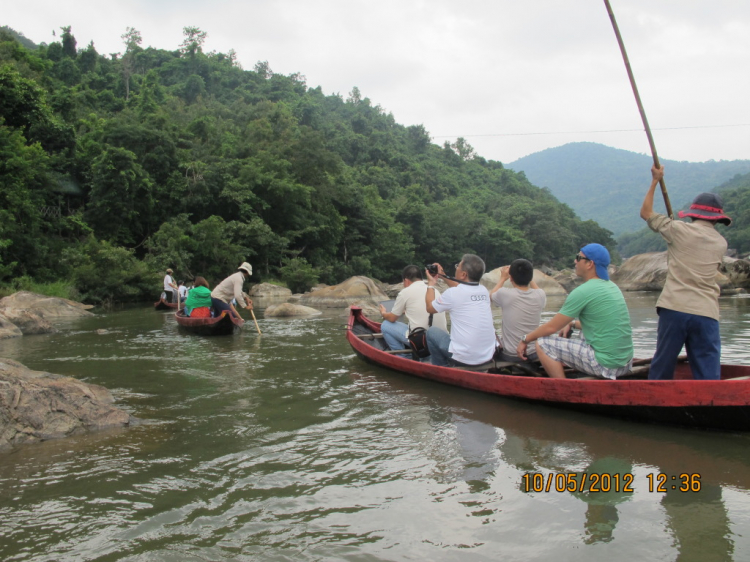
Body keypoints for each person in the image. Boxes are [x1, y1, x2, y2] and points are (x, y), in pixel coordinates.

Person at [640, 165, 731, 380]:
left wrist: (655, 180)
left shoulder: (678, 230)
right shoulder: (721, 243)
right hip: (706, 311)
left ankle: (655, 401)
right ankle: (710, 403)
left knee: (663, 362)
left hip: (675, 308)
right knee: (708, 368)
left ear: (693, 213)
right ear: (717, 219)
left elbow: (646, 213)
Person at [516, 244, 633, 379]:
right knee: (584, 331)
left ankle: (563, 389)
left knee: (542, 343)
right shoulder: (612, 287)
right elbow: (602, 323)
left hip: (606, 366)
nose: (575, 261)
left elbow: (552, 327)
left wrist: (525, 340)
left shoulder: (583, 291)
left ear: (590, 264)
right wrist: (571, 324)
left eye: (578, 258)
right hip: (624, 364)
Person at [424, 254, 496, 367]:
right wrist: (442, 276)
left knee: (431, 332)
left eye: (458, 266)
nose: (456, 268)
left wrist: (430, 285)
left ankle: (441, 368)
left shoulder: (453, 294)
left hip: (464, 358)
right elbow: (461, 287)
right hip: (486, 356)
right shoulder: (484, 291)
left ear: (463, 274)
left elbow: (430, 308)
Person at [378, 265, 448, 354]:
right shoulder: (434, 290)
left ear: (406, 280)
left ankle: (402, 356)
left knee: (385, 325)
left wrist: (383, 313)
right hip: (441, 338)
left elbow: (392, 318)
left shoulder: (405, 292)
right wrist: (405, 311)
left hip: (422, 340)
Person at [490, 259, 546, 363]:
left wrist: (502, 279)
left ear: (510, 278)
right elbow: (538, 290)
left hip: (511, 355)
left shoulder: (504, 294)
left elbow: (491, 296)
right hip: (534, 353)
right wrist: (529, 278)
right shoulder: (540, 295)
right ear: (530, 276)